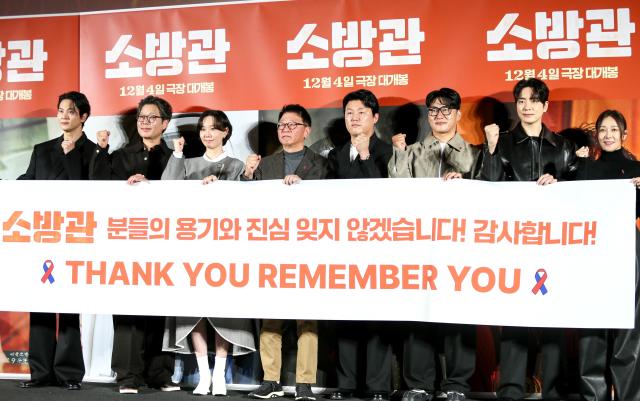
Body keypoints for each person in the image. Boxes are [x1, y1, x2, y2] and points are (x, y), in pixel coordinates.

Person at [479, 78, 577, 401]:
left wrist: (559, 185)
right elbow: (488, 186)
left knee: (553, 317)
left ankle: (552, 390)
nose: (527, 106)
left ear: (545, 106)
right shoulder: (502, 141)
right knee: (514, 316)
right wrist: (491, 149)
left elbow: (580, 194)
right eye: (522, 101)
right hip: (515, 243)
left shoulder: (561, 146)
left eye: (534, 101)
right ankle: (510, 389)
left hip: (553, 244)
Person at [389, 87, 480, 401]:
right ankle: (418, 383)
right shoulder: (412, 150)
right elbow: (396, 191)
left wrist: (464, 184)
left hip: (460, 246)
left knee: (459, 316)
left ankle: (457, 384)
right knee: (419, 313)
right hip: (421, 245)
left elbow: (488, 192)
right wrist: (399, 154)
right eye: (433, 110)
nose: (439, 115)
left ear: (457, 114)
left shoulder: (473, 152)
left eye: (445, 110)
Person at [161, 110, 255, 395]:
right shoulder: (187, 163)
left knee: (223, 311)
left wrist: (242, 180)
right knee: (195, 312)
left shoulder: (237, 165)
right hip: (192, 249)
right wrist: (176, 155)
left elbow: (250, 206)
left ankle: (220, 375)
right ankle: (203, 375)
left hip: (225, 250)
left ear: (225, 131)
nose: (207, 133)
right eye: (203, 128)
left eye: (214, 128)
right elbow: (166, 189)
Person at [91, 96, 177, 394]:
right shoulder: (119, 156)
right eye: (142, 116)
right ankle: (127, 375)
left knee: (160, 309)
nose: (145, 121)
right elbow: (97, 191)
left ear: (165, 124)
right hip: (126, 242)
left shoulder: (174, 157)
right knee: (127, 310)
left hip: (165, 243)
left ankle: (159, 373)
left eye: (152, 117)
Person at [245, 104, 330, 401]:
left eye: (292, 125)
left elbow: (333, 205)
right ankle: (271, 380)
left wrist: (303, 189)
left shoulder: (322, 164)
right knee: (271, 316)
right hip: (273, 247)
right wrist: (246, 177)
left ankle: (304, 382)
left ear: (307, 130)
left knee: (306, 318)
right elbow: (247, 204)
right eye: (281, 125)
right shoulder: (265, 164)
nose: (284, 129)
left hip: (308, 248)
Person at [18, 91, 97, 390]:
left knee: (68, 308)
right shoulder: (41, 149)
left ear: (83, 117)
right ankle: (38, 372)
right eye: (60, 110)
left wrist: (70, 153)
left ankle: (67, 373)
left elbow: (89, 188)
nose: (64, 115)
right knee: (39, 305)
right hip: (42, 235)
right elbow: (28, 181)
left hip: (76, 237)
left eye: (71, 111)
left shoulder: (94, 151)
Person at [327, 89, 394, 401]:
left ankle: (379, 387)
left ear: (375, 117)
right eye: (349, 112)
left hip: (380, 246)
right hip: (344, 247)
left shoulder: (388, 151)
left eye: (361, 112)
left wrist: (366, 155)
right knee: (347, 317)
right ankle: (347, 384)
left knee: (378, 319)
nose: (353, 118)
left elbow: (382, 194)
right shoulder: (335, 155)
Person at [575, 109, 640, 401]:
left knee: (629, 327)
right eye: (603, 130)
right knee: (593, 325)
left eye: (614, 130)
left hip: (628, 248)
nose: (608, 135)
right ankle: (593, 396)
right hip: (594, 249)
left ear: (624, 134)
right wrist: (573, 167)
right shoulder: (587, 167)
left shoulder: (638, 168)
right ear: (596, 135)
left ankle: (629, 396)